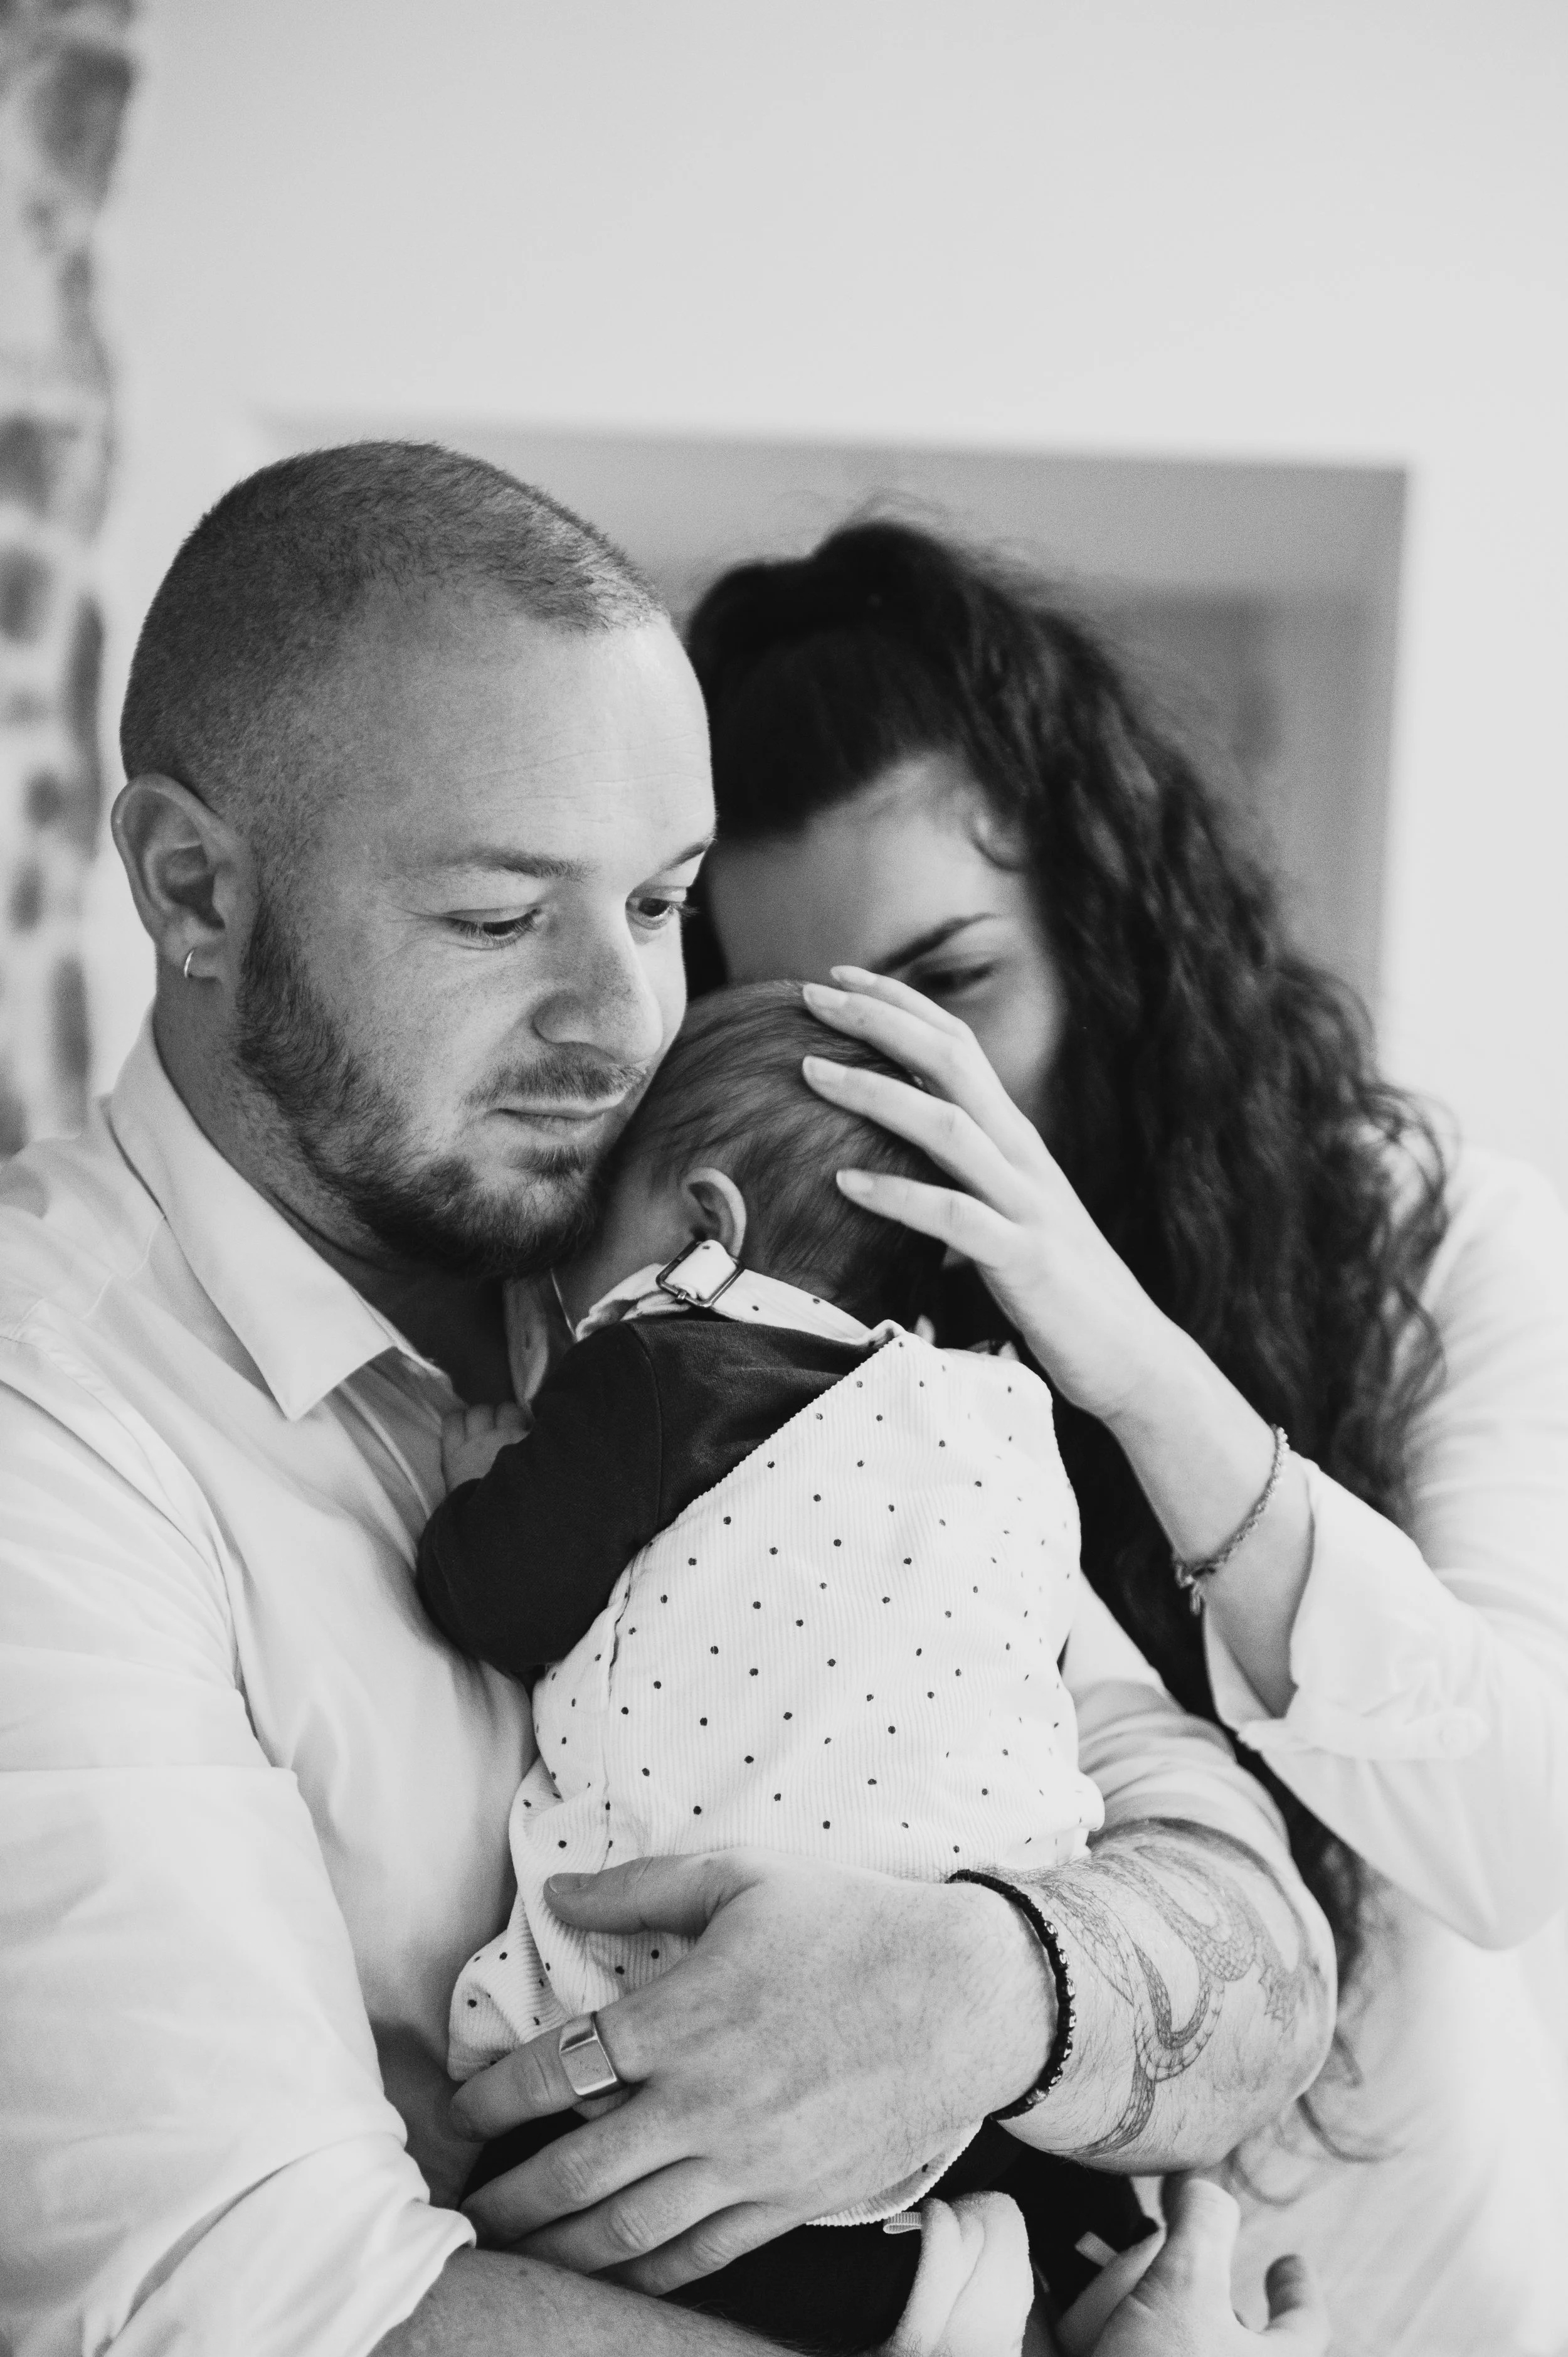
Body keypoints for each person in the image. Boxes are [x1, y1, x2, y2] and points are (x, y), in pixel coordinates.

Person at [0, 444, 1334, 2357]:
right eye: (495, 919)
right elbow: (262, 2316)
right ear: (192, 888)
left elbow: (1253, 1929)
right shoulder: (47, 1434)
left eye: (657, 905)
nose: (623, 1020)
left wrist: (989, 1985)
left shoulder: (734, 1294)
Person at [682, 517, 1568, 2357]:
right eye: (822, 1035)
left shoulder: (1440, 1243)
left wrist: (1145, 1373)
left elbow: (1514, 1840)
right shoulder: (774, 1346)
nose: (918, 1104)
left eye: (953, 988)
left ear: (1104, 917)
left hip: (1425, 2287)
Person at [415, 980, 1153, 2349]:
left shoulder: (662, 1361)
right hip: (982, 1971)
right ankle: (1038, 2249)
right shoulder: (992, 1425)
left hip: (724, 1986)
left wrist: (483, 1481)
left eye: (578, 1243)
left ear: (707, 1227)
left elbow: (496, 1598)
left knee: (564, 2182)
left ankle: (928, 2295)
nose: (555, 1293)